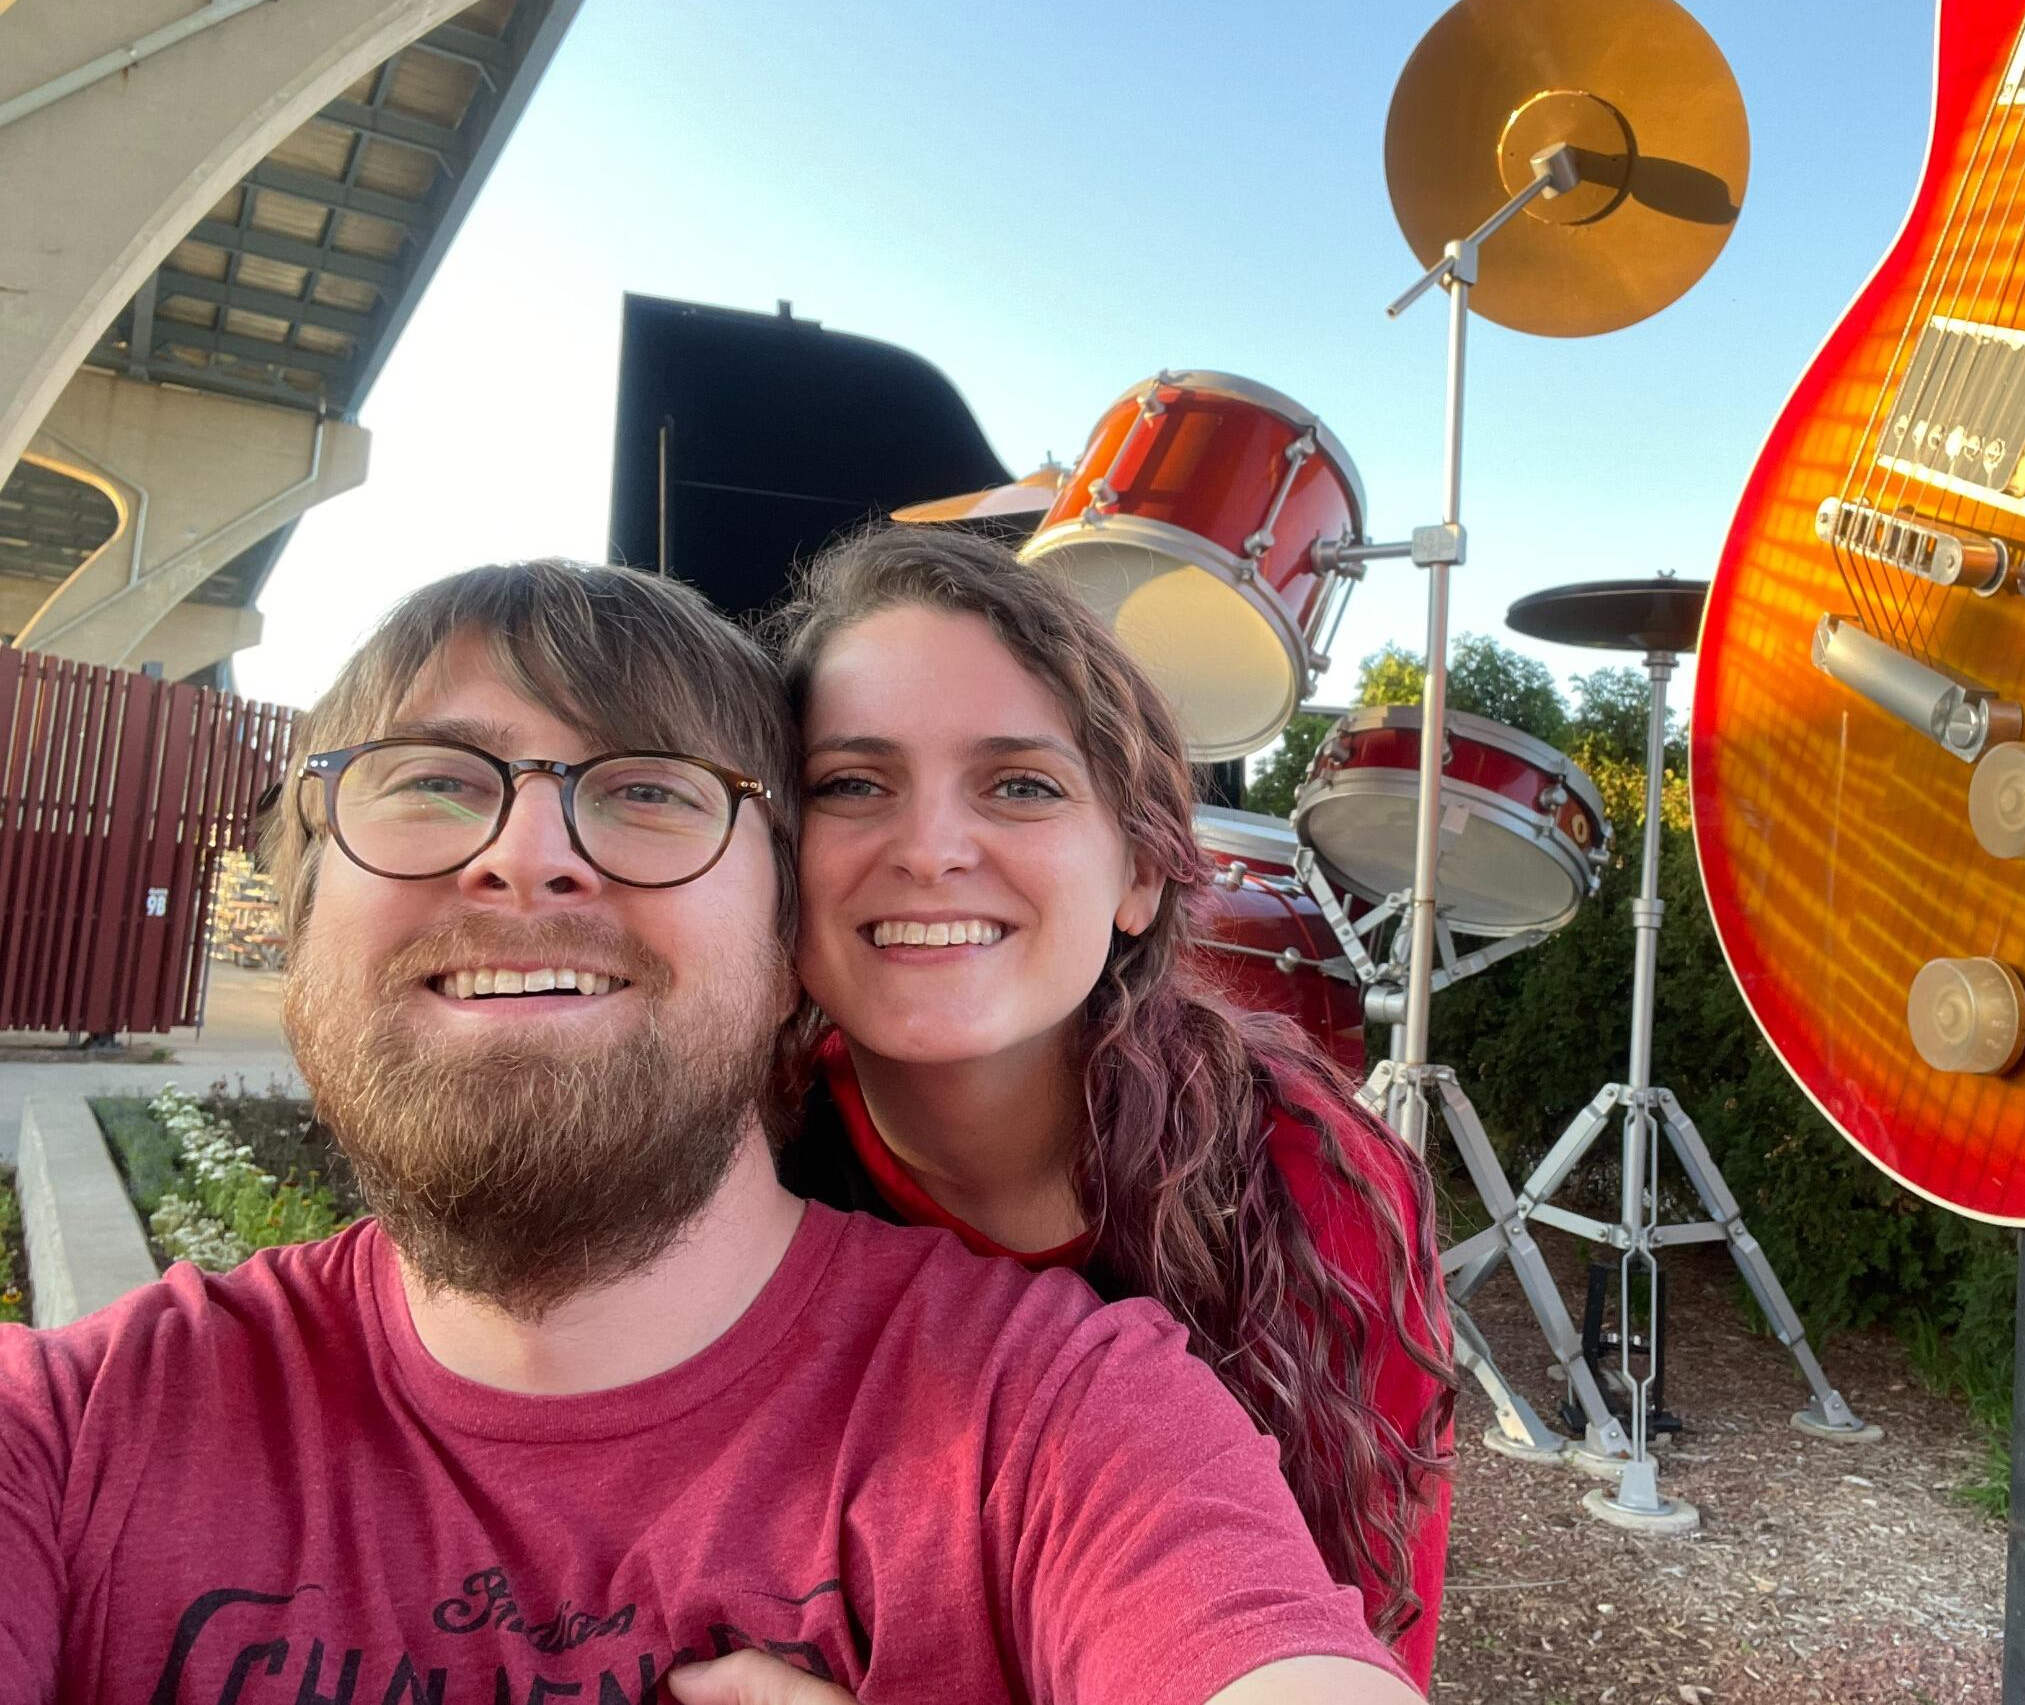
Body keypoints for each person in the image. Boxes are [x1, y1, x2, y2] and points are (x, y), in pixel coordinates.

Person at [0, 560, 1420, 1705]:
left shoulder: (1111, 1357)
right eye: (432, 778)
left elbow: (1328, 1614)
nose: (528, 851)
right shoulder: (67, 1433)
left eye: (647, 790)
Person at [768, 527, 1457, 1690]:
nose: (931, 847)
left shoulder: (1308, 1183)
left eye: (1021, 785)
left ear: (1138, 874)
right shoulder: (733, 1165)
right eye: (850, 783)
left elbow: (1360, 1638)